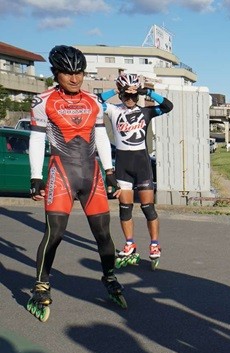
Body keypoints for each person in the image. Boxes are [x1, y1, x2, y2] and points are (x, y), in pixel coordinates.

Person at [26, 45, 125, 321]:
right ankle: (41, 285)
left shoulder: (93, 101)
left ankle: (109, 277)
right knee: (55, 233)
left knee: (103, 234)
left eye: (79, 72)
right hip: (62, 173)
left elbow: (102, 136)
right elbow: (36, 139)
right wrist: (35, 176)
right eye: (68, 73)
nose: (74, 78)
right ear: (56, 74)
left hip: (90, 173)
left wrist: (109, 171)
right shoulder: (42, 101)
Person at [99, 73, 173, 267]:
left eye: (134, 96)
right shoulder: (113, 110)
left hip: (142, 163)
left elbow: (168, 106)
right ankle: (129, 244)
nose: (130, 99)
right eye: (126, 96)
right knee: (125, 209)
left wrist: (147, 91)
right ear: (121, 95)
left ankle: (154, 245)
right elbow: (95, 102)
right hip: (123, 165)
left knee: (148, 208)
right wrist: (115, 91)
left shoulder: (146, 112)